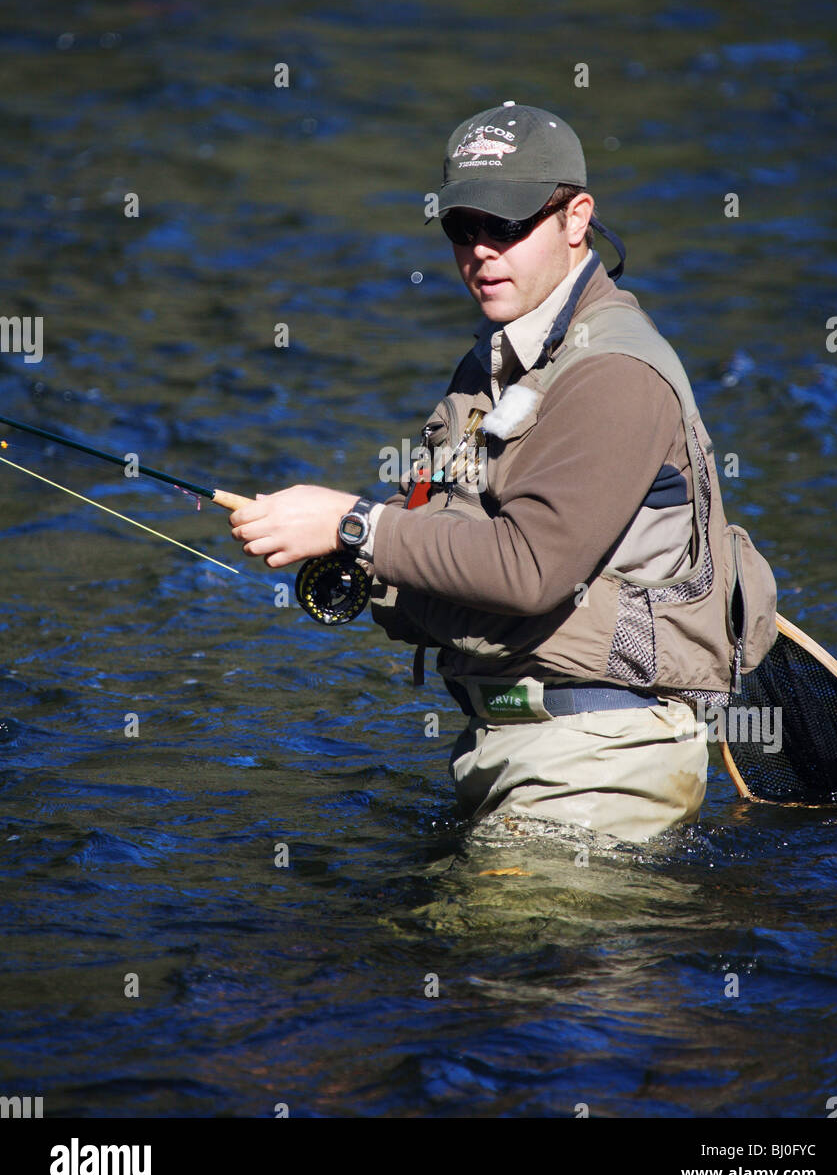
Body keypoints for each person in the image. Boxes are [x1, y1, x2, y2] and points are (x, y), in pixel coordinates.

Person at [229, 102, 777, 843]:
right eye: (463, 228)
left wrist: (355, 524)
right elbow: (438, 530)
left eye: (509, 225)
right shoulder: (494, 362)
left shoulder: (613, 371)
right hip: (509, 748)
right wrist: (344, 553)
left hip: (600, 765)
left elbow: (531, 570)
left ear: (576, 217)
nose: (482, 250)